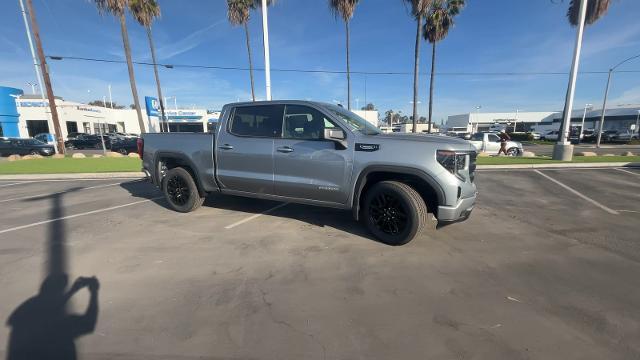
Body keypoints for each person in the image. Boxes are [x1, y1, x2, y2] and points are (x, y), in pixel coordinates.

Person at [6, 275, 100, 360]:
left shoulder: (25, 316)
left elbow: (48, 306)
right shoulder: (58, 325)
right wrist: (94, 292)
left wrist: (71, 291)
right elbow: (88, 324)